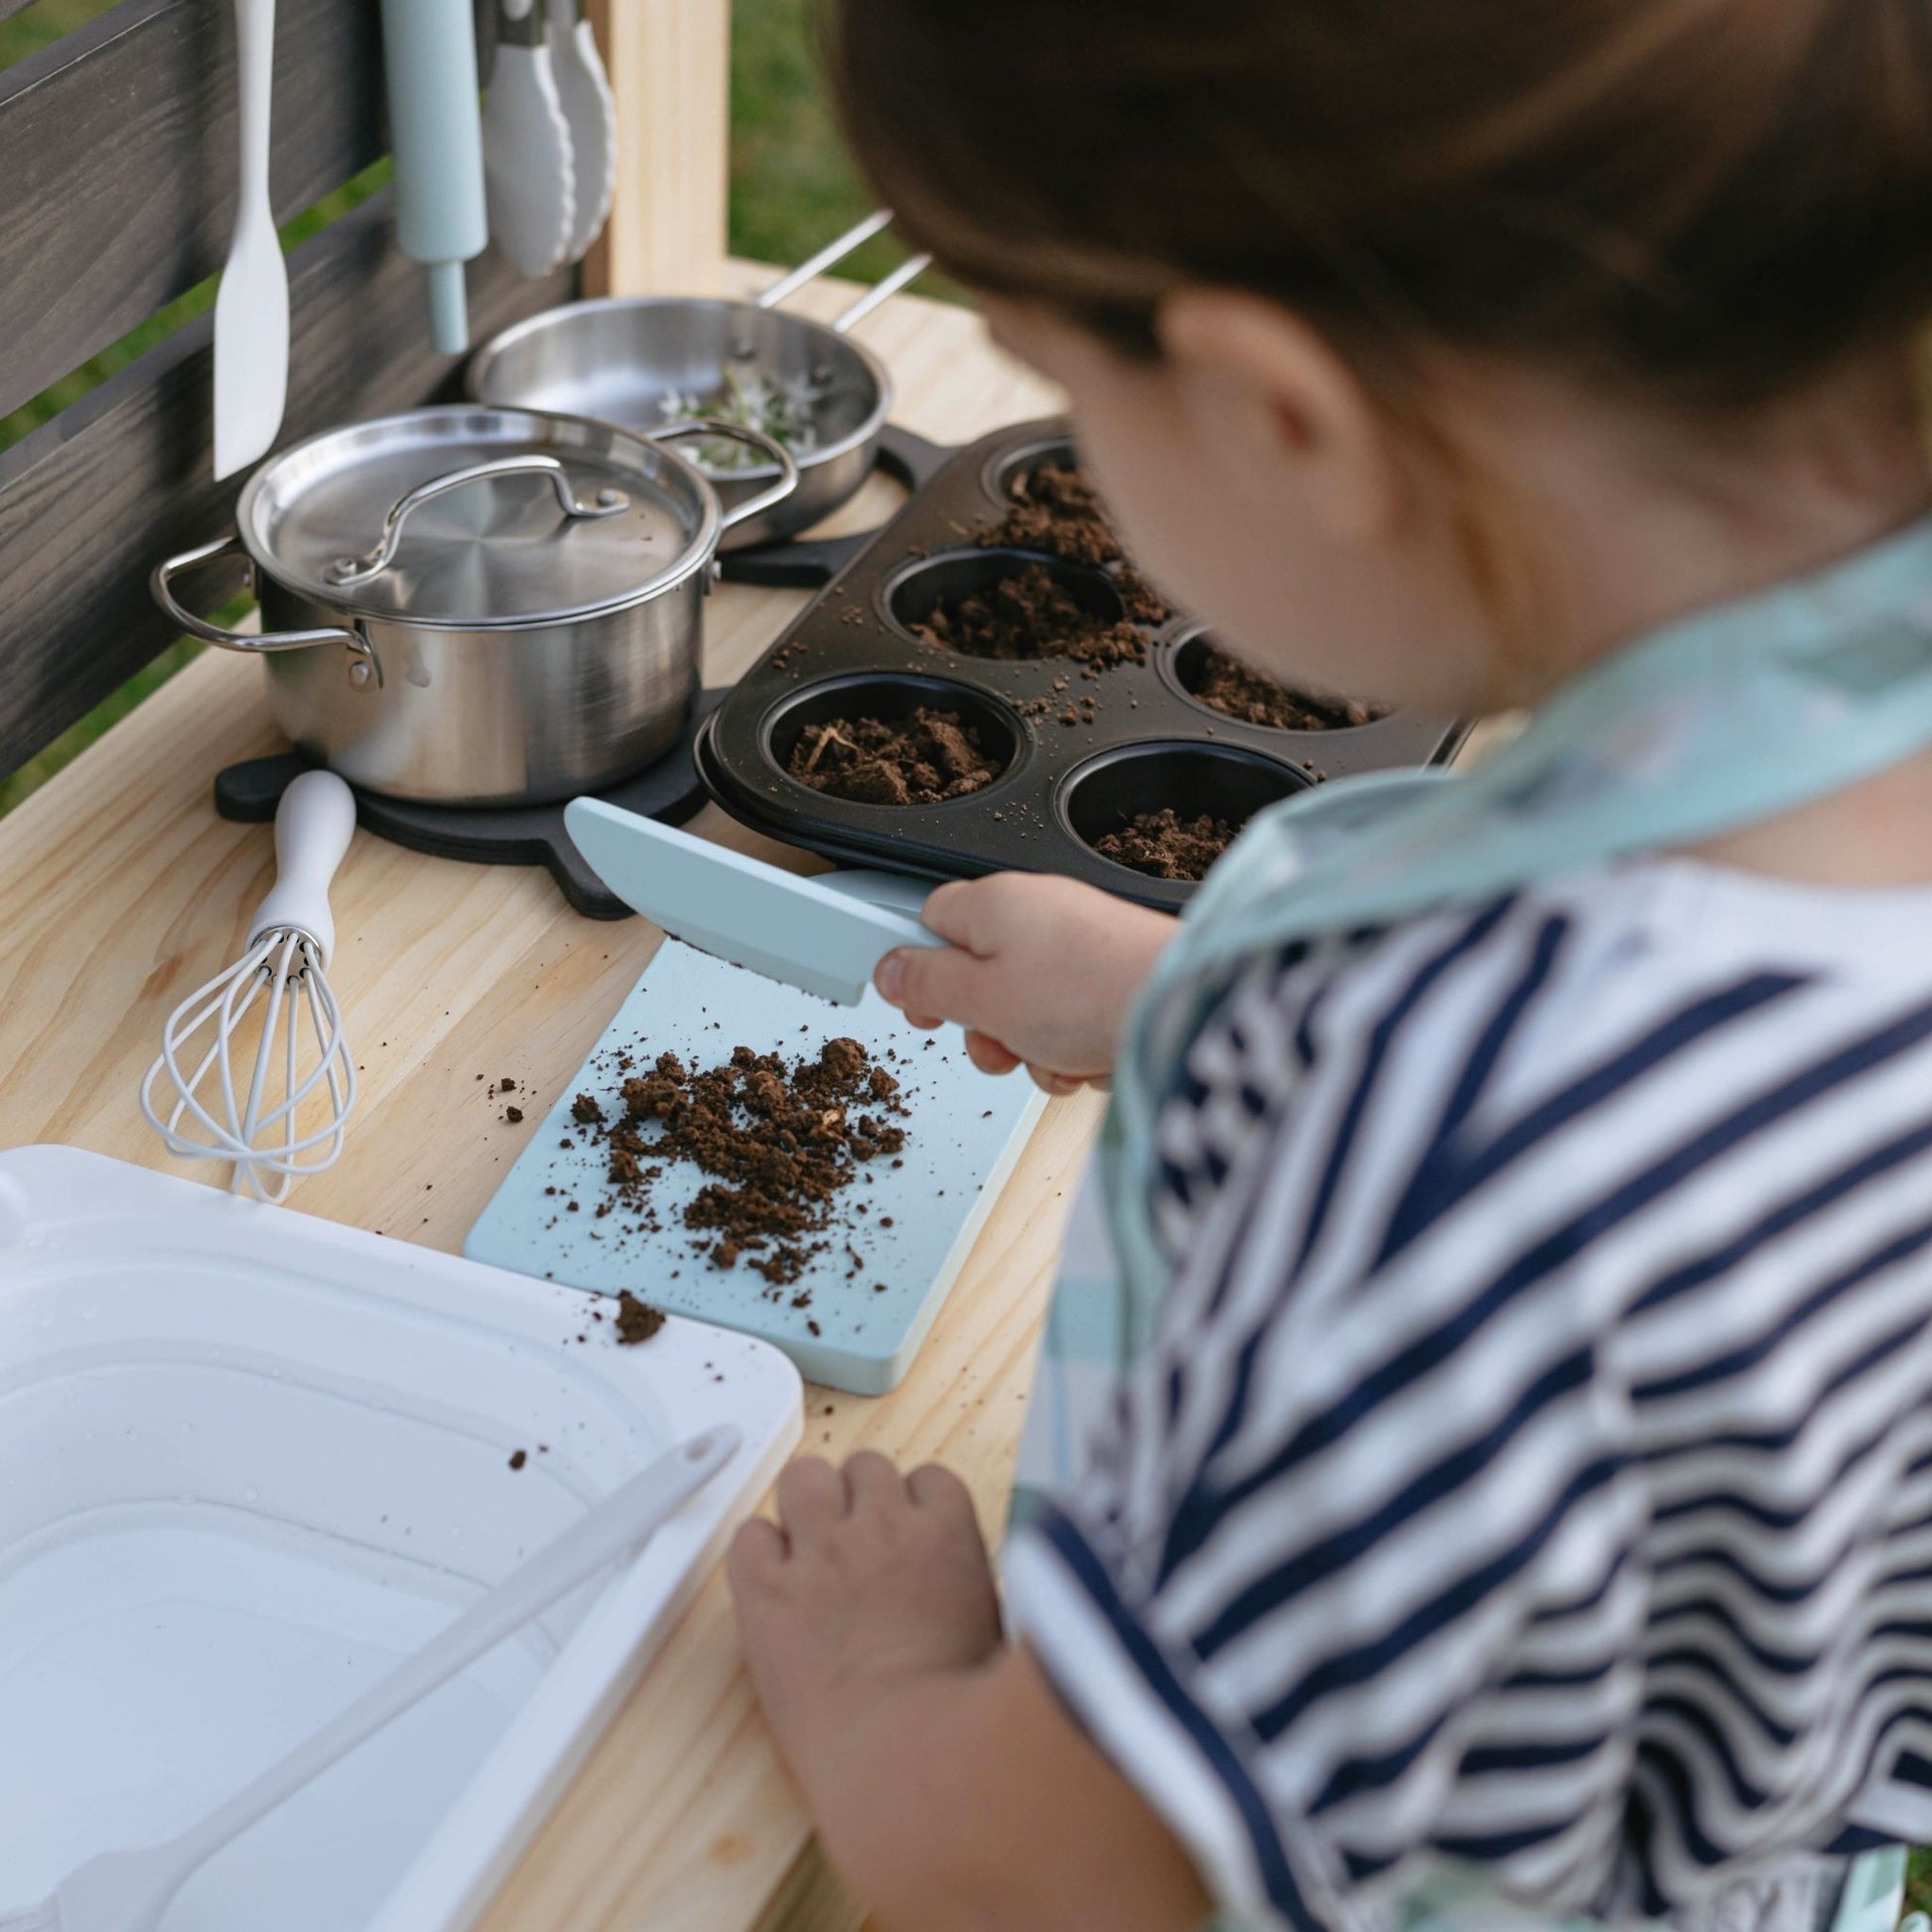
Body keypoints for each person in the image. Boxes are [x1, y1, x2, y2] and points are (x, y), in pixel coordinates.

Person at [725, 3, 1932, 1928]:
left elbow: (1072, 1873)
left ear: (1284, 416)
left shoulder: (1464, 1151)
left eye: (1065, 390)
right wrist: (1193, 998)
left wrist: (879, 1676)